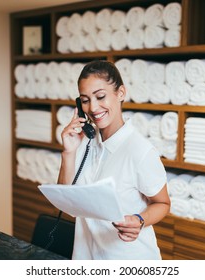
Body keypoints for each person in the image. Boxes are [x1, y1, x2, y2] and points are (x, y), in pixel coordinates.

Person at [58, 60, 170, 260]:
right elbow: (67, 205)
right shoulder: (84, 143)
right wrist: (68, 151)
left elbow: (162, 203)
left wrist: (140, 220)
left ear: (120, 93)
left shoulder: (140, 151)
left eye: (100, 96)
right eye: (85, 100)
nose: (92, 107)